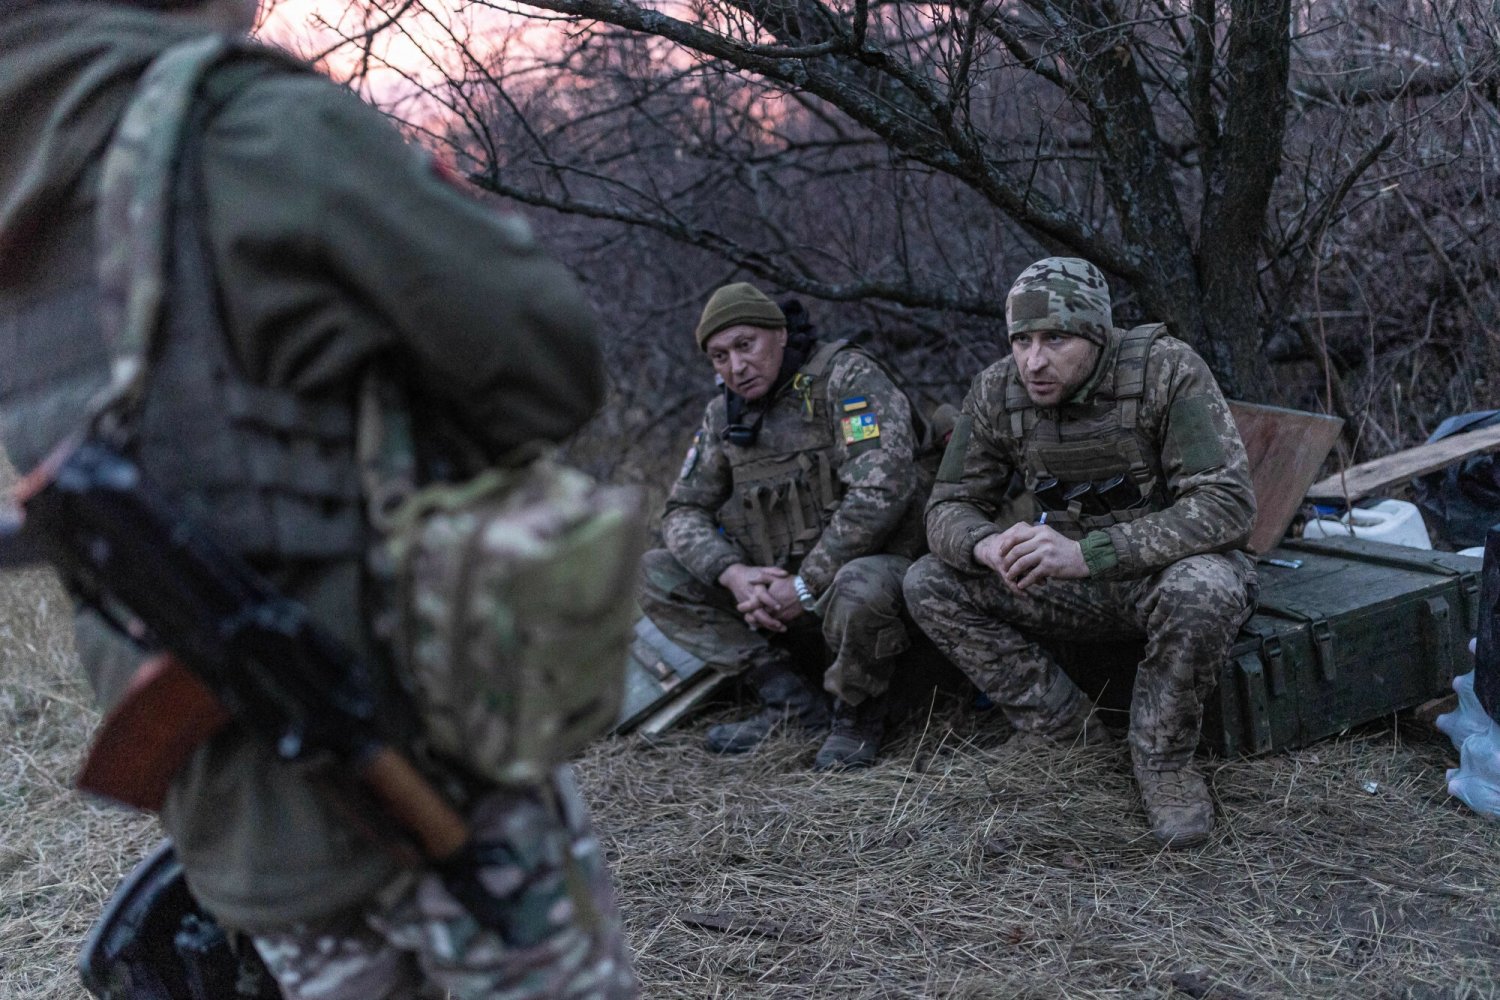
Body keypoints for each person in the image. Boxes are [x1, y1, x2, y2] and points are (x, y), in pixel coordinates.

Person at [0, 1, 636, 996]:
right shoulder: (245, 126)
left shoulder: (27, 186)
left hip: (237, 817)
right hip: (425, 748)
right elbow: (549, 364)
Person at [903, 257, 1257, 848]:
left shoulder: (1166, 371)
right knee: (928, 580)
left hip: (1157, 575)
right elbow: (946, 507)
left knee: (1206, 587)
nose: (1034, 361)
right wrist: (986, 544)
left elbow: (1227, 506)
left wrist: (1091, 552)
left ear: (1096, 335)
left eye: (1055, 339)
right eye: (1022, 340)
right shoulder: (998, 390)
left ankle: (1163, 761)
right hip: (1070, 585)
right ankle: (1064, 730)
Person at [638, 283, 927, 770]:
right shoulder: (723, 416)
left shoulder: (845, 377)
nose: (735, 366)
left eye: (745, 345)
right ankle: (791, 702)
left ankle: (856, 715)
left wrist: (806, 584)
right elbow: (681, 510)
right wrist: (733, 574)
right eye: (719, 357)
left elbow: (884, 489)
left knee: (859, 584)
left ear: (779, 334)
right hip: (778, 599)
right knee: (655, 572)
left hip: (872, 583)